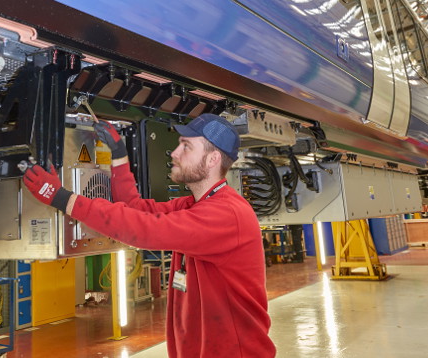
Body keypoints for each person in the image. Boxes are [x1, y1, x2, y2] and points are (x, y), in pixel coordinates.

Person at [23, 113, 275, 358]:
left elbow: (145, 229)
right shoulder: (195, 205)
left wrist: (62, 198)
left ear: (212, 159)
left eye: (186, 147)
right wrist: (120, 155)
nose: (175, 153)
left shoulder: (227, 214)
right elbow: (137, 210)